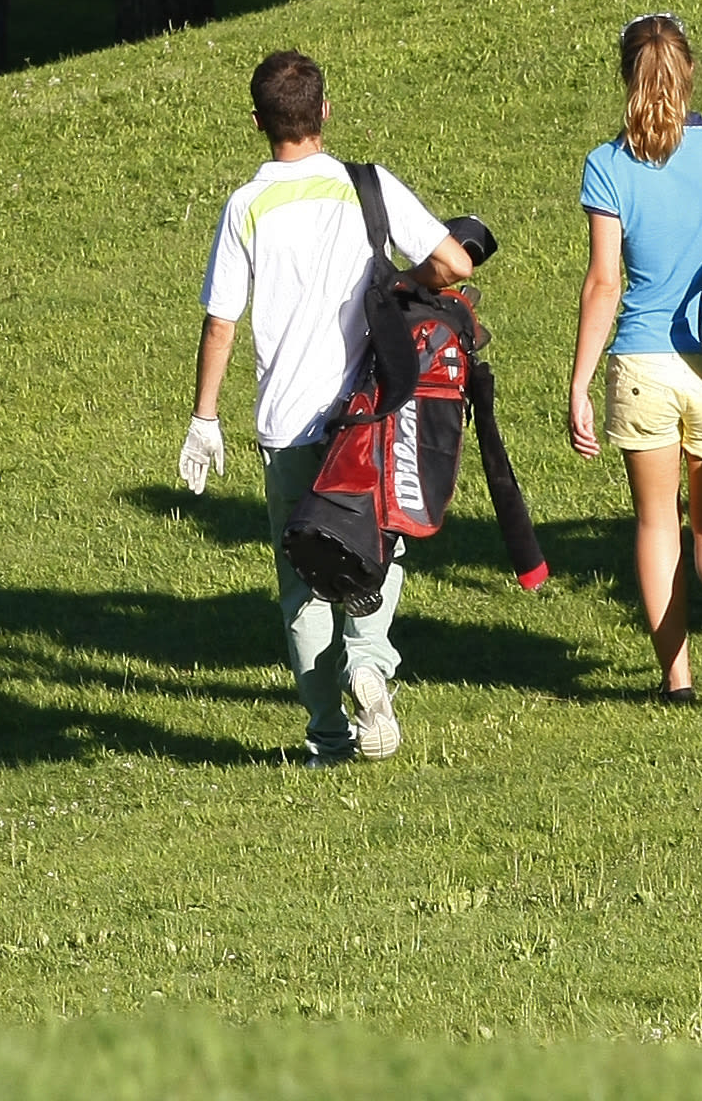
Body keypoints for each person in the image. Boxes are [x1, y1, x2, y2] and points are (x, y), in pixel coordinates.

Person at [179, 49, 478, 766]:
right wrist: (397, 282)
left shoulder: (246, 205)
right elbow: (455, 264)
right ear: (325, 112)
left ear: (258, 123)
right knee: (379, 540)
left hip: (286, 424)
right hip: (367, 414)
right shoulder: (366, 186)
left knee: (303, 581)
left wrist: (204, 418)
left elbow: (221, 322)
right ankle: (369, 663)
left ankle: (327, 736)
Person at [563, 13, 702, 707]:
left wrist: (579, 383)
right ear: (690, 72)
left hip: (644, 363)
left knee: (658, 524)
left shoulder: (608, 165)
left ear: (626, 77)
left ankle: (677, 681)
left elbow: (605, 283)